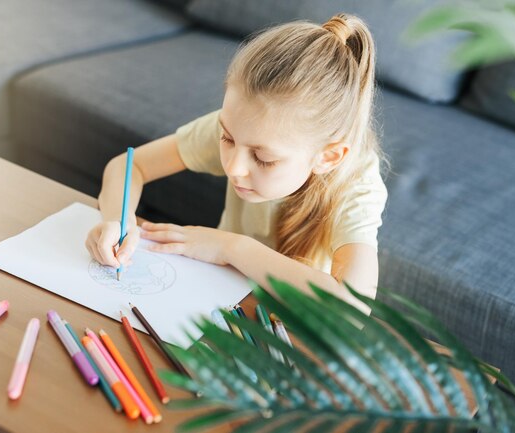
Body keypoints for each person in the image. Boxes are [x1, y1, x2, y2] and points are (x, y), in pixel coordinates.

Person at [86, 14, 388, 314]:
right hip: (217, 297)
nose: (233, 167)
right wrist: (117, 221)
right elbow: (127, 166)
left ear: (328, 157)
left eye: (263, 159)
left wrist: (232, 248)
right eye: (227, 139)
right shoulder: (244, 126)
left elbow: (352, 309)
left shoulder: (357, 187)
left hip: (290, 322)